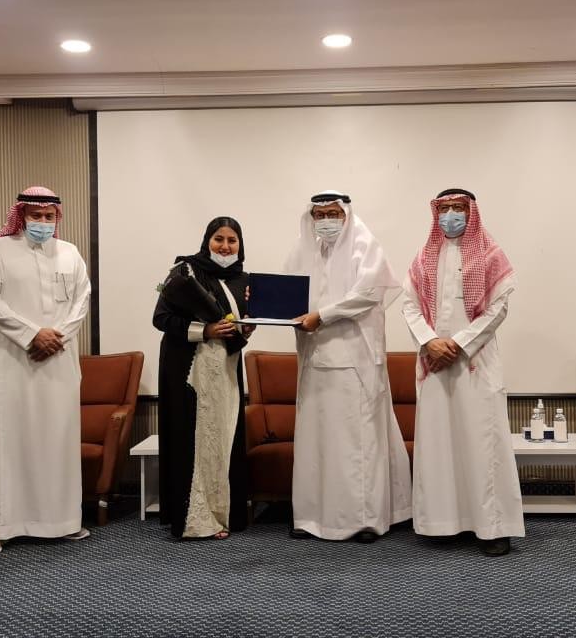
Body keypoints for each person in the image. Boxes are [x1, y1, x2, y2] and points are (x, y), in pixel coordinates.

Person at [284, 190, 411, 542]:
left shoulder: (364, 245)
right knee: (316, 442)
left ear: (345, 215)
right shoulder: (302, 250)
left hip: (355, 361)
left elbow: (369, 294)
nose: (325, 221)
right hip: (315, 361)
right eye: (319, 214)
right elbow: (287, 296)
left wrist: (322, 315)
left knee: (357, 442)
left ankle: (364, 520)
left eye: (332, 214)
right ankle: (312, 518)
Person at [401, 188, 523, 556]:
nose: (450, 215)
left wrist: (456, 345)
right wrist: (430, 341)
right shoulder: (424, 257)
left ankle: (493, 528)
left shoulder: (490, 254)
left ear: (472, 213)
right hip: (434, 363)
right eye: (445, 208)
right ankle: (443, 523)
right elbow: (410, 306)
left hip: (475, 362)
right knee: (439, 443)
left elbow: (498, 309)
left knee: (483, 443)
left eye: (458, 208)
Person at [0, 186, 91, 555]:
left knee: (58, 439)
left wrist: (57, 337)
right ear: (21, 216)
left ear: (57, 217)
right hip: (11, 361)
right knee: (7, 441)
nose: (42, 222)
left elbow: (81, 301)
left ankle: (63, 521)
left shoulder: (70, 253)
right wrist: (31, 335)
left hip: (58, 360)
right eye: (35, 215)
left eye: (48, 216)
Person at [152, 217, 255, 539]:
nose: (225, 246)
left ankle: (223, 514)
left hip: (226, 369)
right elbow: (161, 319)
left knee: (224, 434)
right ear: (207, 240)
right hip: (189, 368)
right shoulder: (185, 272)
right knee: (194, 438)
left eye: (232, 240)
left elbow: (239, 325)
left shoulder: (244, 280)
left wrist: (247, 327)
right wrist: (205, 330)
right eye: (218, 239)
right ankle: (196, 520)